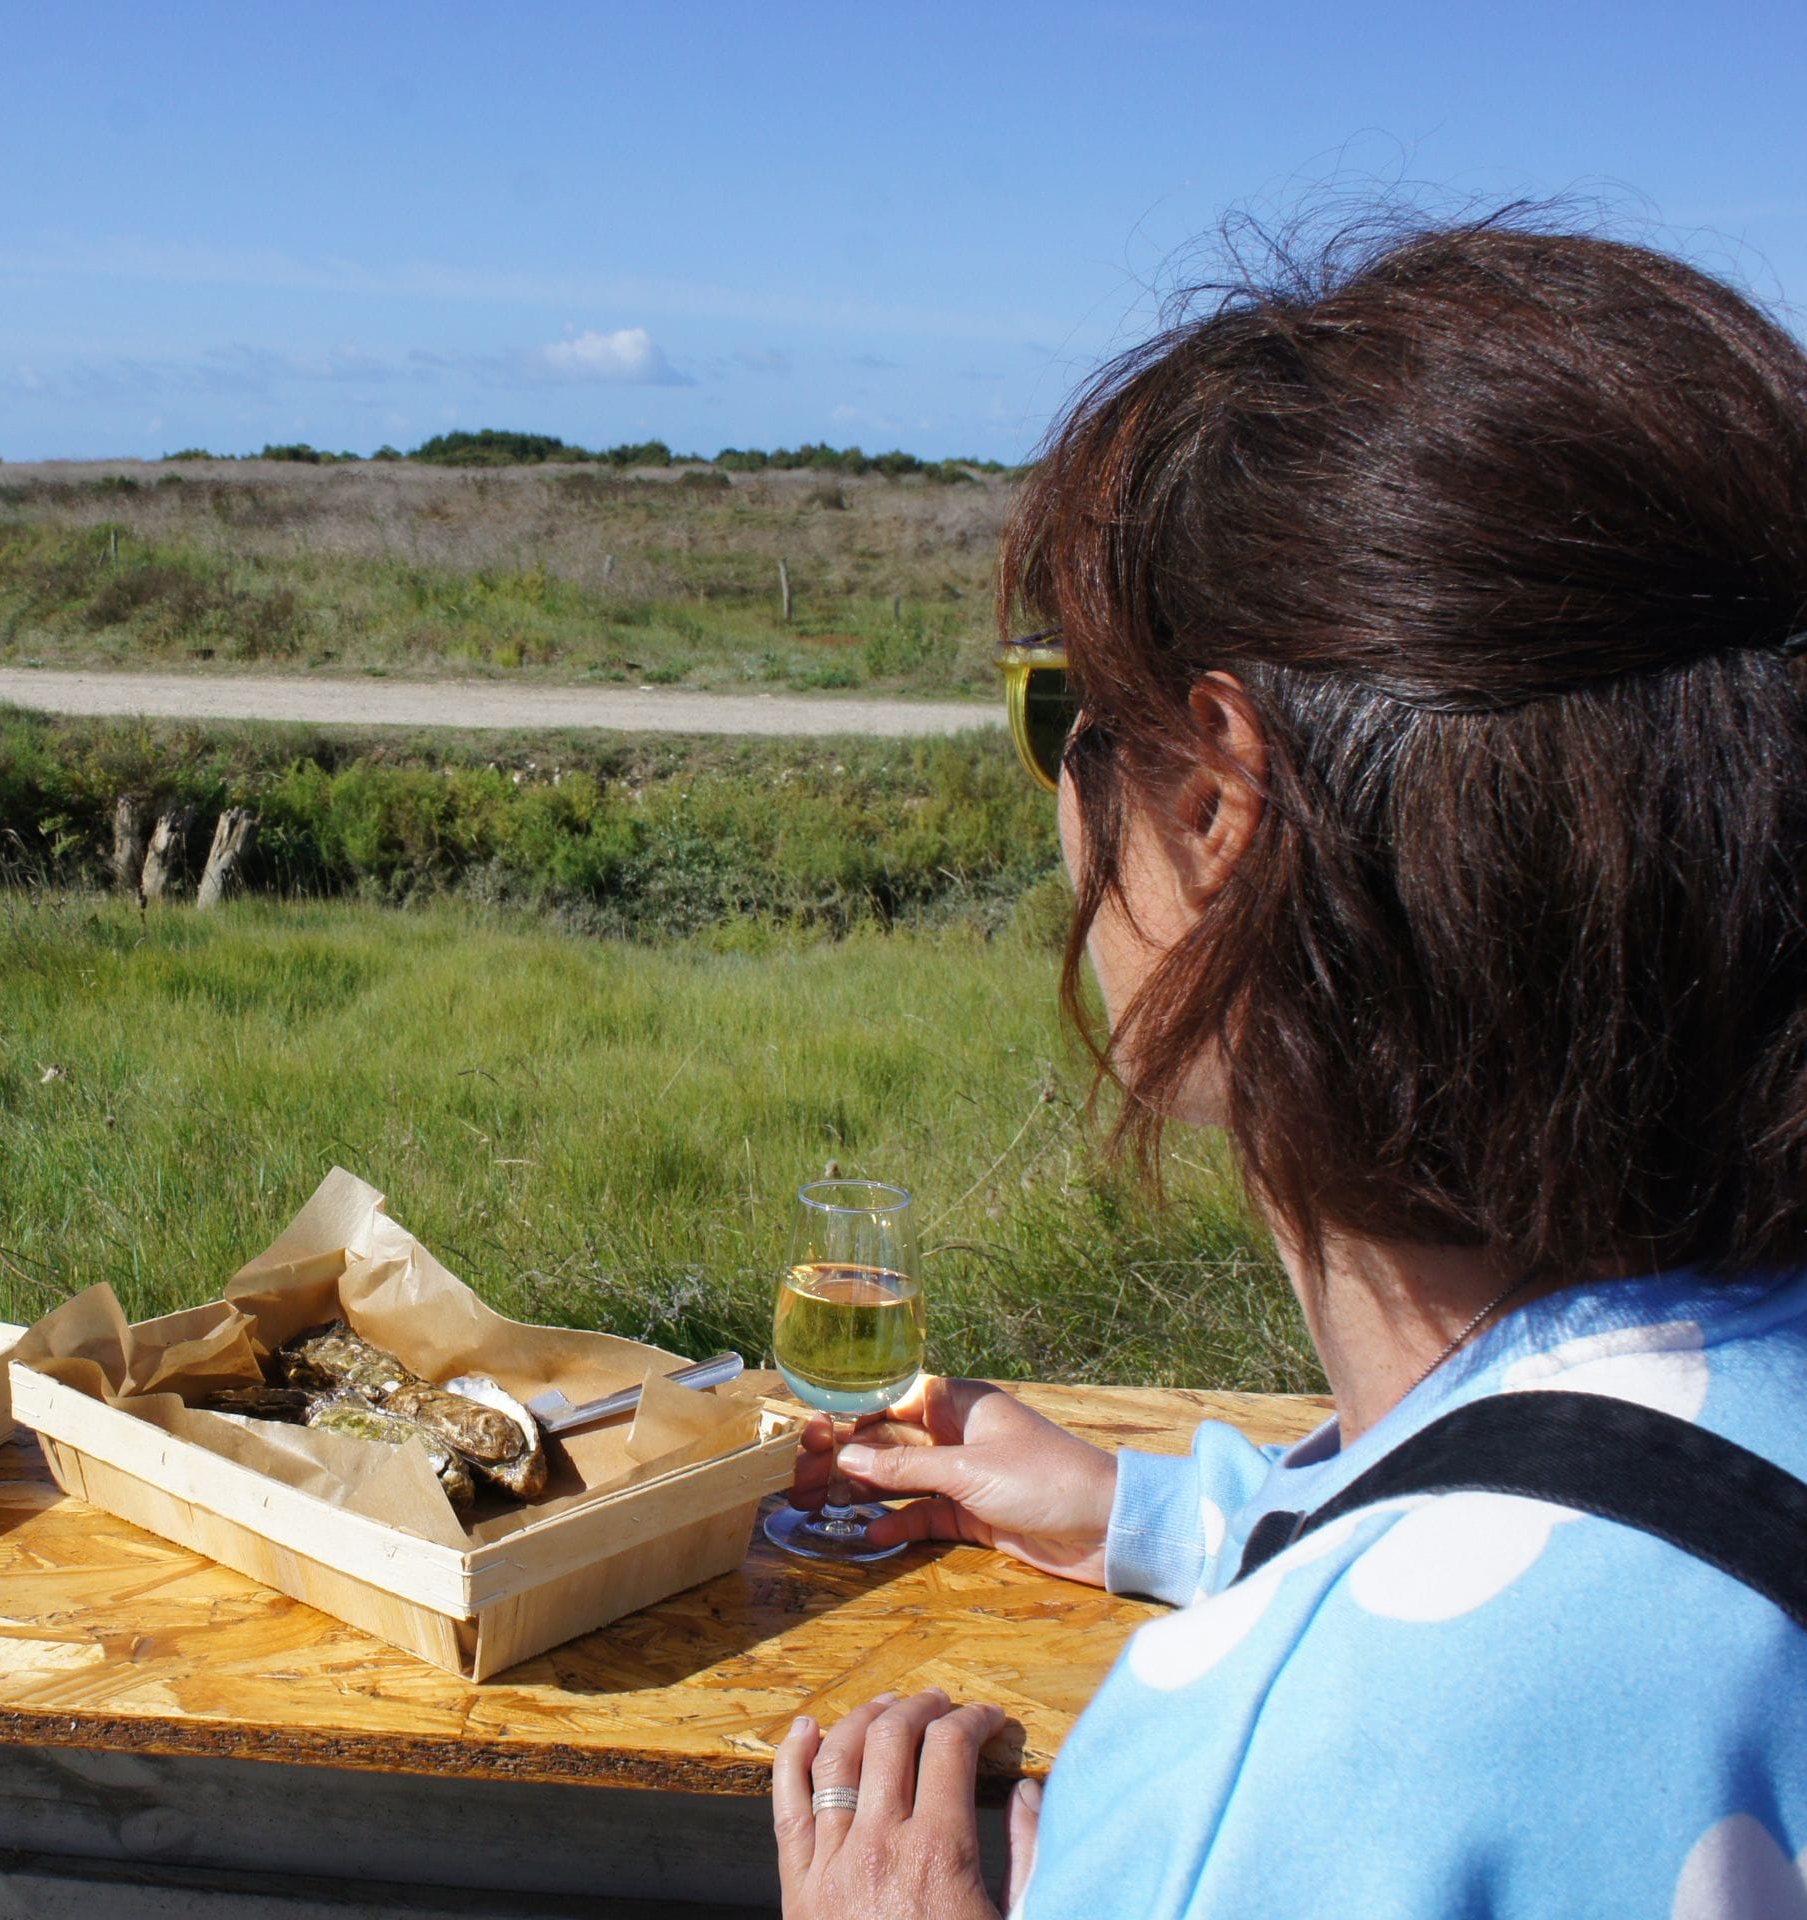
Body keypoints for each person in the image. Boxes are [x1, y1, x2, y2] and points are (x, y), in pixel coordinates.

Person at [769, 215, 1807, 1919]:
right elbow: (1599, 1521)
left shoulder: (1291, 1771)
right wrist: (1156, 1514)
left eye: (1062, 712)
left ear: (1215, 812)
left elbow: (1429, 1686)